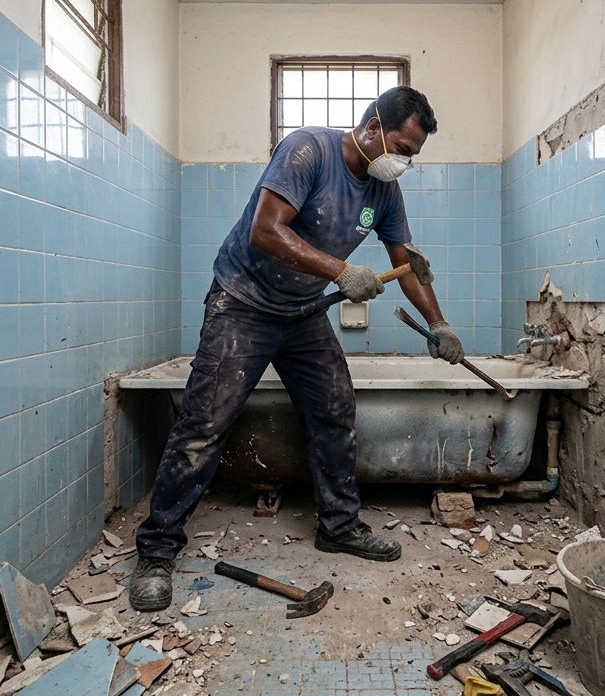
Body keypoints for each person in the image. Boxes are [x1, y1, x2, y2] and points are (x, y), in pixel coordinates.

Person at [129, 86, 467, 612]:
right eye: (402, 148)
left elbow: (407, 265)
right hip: (243, 303)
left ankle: (339, 526)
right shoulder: (308, 150)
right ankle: (156, 550)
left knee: (335, 410)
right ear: (372, 128)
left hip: (303, 312)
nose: (404, 162)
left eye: (413, 155)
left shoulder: (384, 192)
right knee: (204, 423)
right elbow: (266, 231)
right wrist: (341, 270)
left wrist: (439, 323)